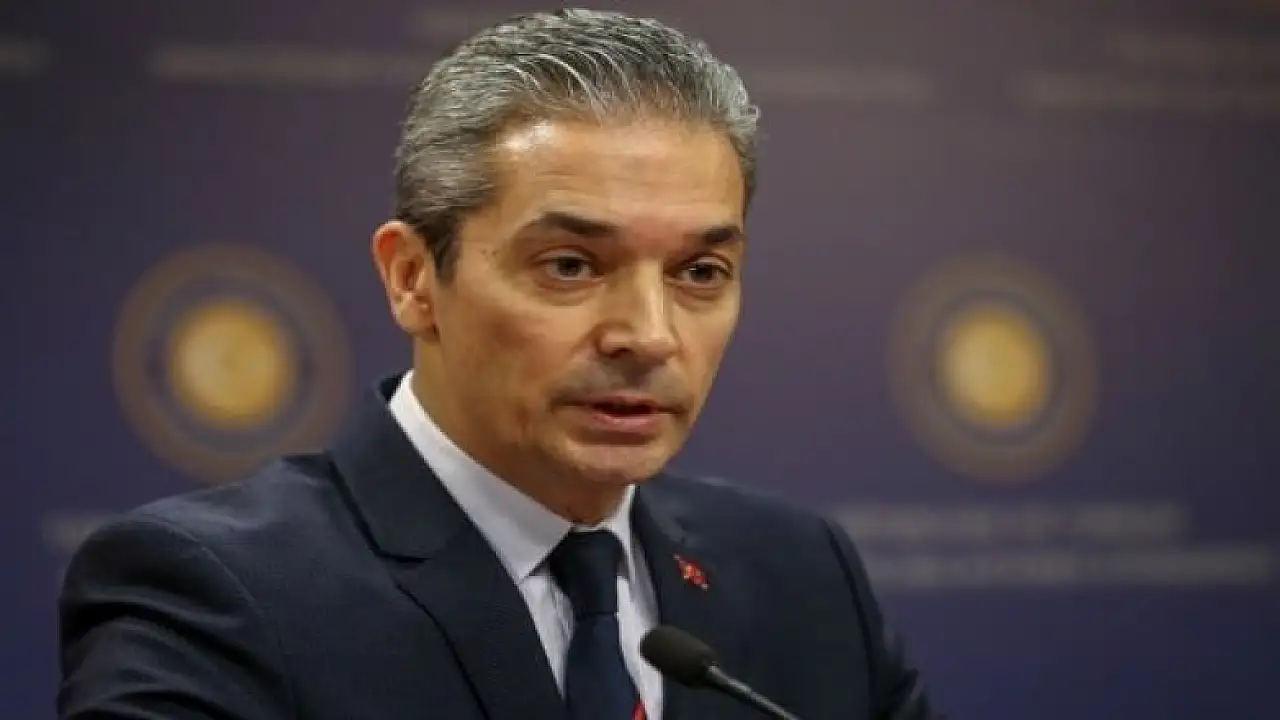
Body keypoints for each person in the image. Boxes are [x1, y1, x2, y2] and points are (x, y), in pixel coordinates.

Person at [57, 9, 940, 720]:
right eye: (570, 266)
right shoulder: (214, 593)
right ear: (413, 279)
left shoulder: (801, 573)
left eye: (700, 272)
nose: (648, 335)